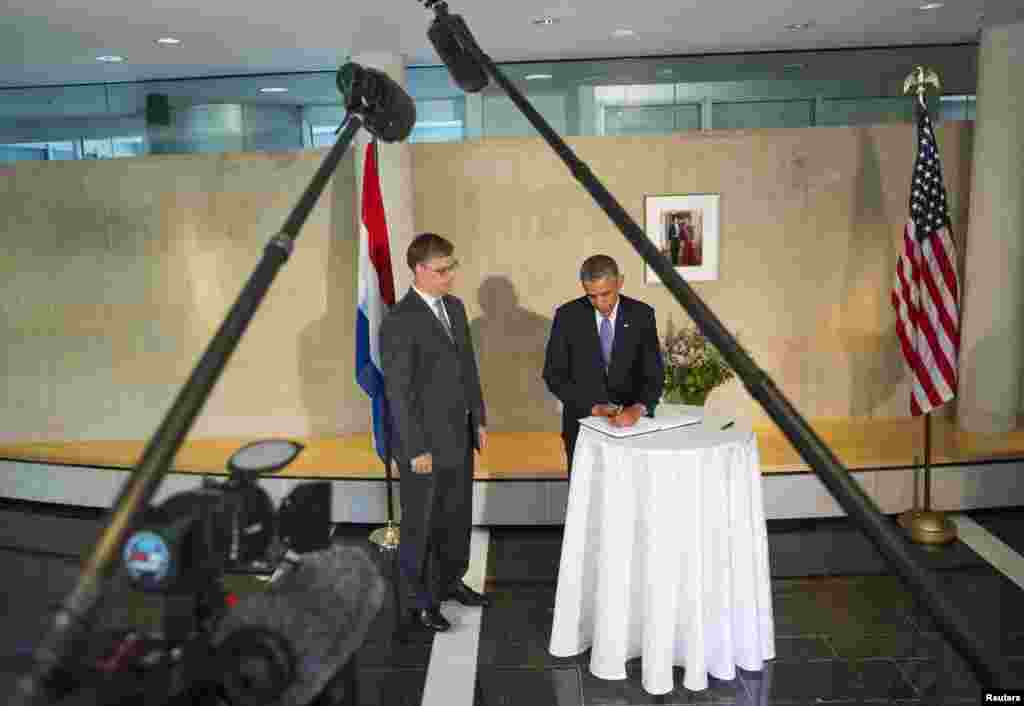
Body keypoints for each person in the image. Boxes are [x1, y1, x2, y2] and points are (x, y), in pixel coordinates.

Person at [379, 232, 491, 634]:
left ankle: (449, 581)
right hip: (423, 444)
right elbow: (399, 392)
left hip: (458, 435)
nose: (450, 277)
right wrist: (414, 448)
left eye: (452, 268)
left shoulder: (455, 309)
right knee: (421, 526)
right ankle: (419, 601)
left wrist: (477, 417)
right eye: (442, 271)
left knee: (455, 517)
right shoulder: (398, 320)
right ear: (420, 270)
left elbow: (467, 367)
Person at [542, 255, 664, 476]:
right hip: (583, 427)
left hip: (632, 427)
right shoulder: (567, 316)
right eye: (592, 296)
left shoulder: (642, 315)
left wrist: (637, 409)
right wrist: (593, 408)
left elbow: (654, 374)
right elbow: (553, 375)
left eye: (605, 294)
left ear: (620, 282)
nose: (600, 303)